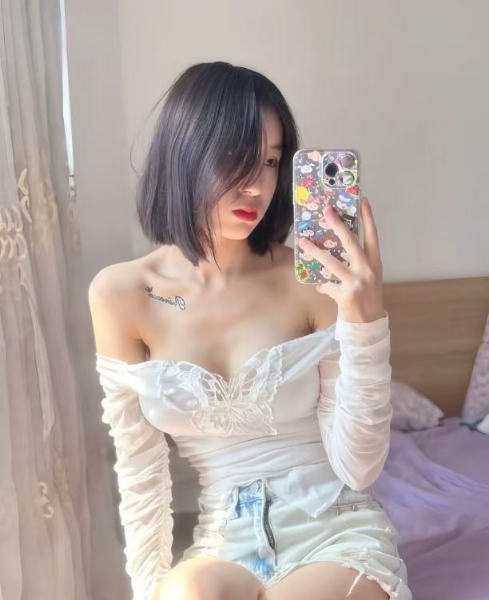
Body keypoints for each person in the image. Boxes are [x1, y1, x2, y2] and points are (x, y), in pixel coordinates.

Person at [89, 62, 412, 600]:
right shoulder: (120, 294)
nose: (258, 184)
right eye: (235, 157)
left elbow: (358, 467)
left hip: (337, 532)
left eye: (271, 160)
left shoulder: (311, 282)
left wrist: (365, 323)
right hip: (223, 542)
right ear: (185, 153)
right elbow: (140, 470)